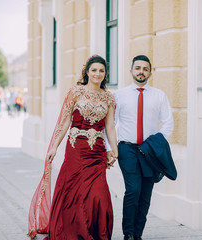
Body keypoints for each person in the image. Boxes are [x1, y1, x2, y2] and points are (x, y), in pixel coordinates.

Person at [28, 55, 118, 240]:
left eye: (101, 71)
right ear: (87, 72)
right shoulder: (75, 92)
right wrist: (54, 147)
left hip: (97, 152)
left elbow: (109, 126)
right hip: (76, 149)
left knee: (98, 194)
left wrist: (114, 150)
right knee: (74, 191)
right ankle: (73, 231)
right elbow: (64, 121)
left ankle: (96, 232)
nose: (97, 74)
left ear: (105, 74)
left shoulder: (109, 97)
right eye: (94, 70)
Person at [105, 55, 174, 240]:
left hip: (149, 151)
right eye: (138, 68)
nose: (141, 72)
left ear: (150, 72)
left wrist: (155, 144)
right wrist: (109, 149)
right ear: (131, 71)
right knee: (133, 189)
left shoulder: (159, 95)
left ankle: (138, 234)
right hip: (127, 149)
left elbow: (168, 123)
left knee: (145, 193)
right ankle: (128, 233)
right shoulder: (119, 95)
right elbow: (110, 124)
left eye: (145, 68)